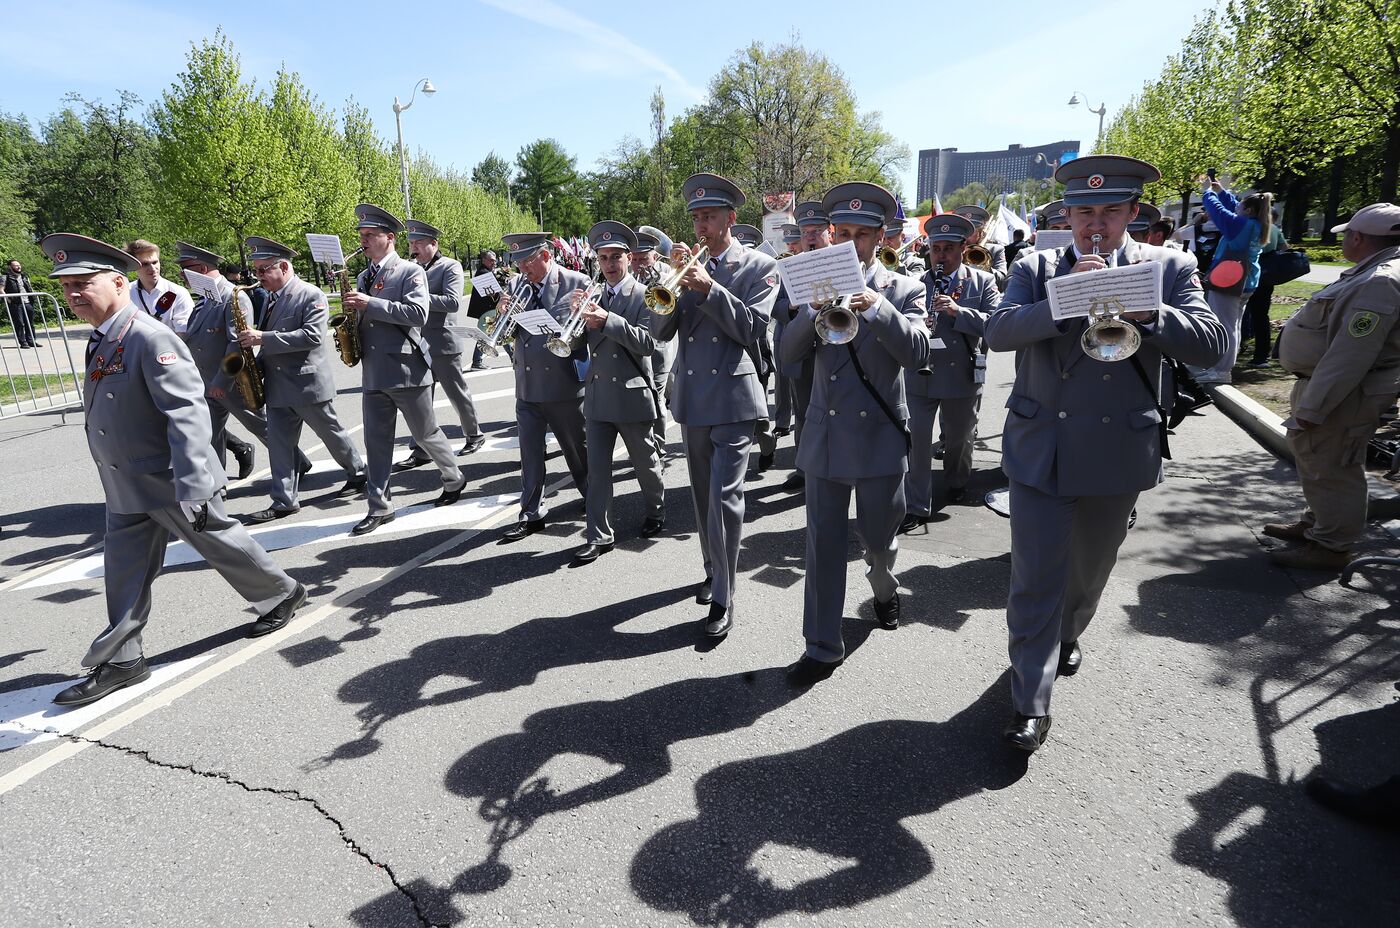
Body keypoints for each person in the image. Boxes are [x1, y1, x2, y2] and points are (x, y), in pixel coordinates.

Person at [985, 154, 1226, 753]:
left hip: (1119, 446)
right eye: (1084, 211)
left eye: (1110, 211)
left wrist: (1153, 313)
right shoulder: (1036, 266)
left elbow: (1212, 345)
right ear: (1066, 214)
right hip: (1043, 447)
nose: (1096, 223)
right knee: (1034, 577)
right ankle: (1029, 702)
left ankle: (1068, 631)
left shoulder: (1170, 266)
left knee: (1087, 574)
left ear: (1132, 214)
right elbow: (998, 331)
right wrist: (1063, 302)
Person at [42, 234, 306, 707]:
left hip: (165, 477)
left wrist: (194, 484)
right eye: (67, 286)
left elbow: (186, 413)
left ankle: (281, 592)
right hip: (126, 480)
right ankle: (124, 658)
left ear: (118, 282)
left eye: (83, 283)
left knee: (217, 537)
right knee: (123, 569)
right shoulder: (105, 336)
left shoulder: (149, 336)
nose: (73, 294)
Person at [780, 182, 930, 686]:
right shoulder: (811, 282)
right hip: (825, 435)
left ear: (879, 236)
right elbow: (786, 356)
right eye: (839, 232)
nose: (847, 241)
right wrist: (810, 311)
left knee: (879, 540)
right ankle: (822, 645)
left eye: (859, 234)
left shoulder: (905, 288)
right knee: (822, 545)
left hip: (879, 438)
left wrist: (878, 309)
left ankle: (884, 589)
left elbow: (919, 354)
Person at [651, 173, 778, 638]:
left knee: (725, 500)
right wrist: (670, 283)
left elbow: (754, 329)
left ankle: (724, 595)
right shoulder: (684, 271)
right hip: (692, 400)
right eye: (697, 217)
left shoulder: (760, 267)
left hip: (734, 398)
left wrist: (709, 289)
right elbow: (658, 333)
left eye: (710, 216)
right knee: (704, 500)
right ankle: (712, 569)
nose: (702, 225)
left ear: (731, 218)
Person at [1265, 203, 1400, 571]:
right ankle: (1318, 525)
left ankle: (1331, 546)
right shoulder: (1374, 273)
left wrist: (1312, 409)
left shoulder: (1381, 281)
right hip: (1338, 387)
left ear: (1358, 237)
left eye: (1346, 235)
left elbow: (1350, 354)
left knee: (1334, 464)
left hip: (1345, 392)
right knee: (1319, 458)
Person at [344, 203, 467, 536]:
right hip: (374, 372)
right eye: (361, 235)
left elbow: (417, 314)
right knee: (377, 443)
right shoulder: (362, 275)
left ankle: (454, 477)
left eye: (370, 235)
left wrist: (370, 303)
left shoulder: (410, 272)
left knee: (426, 435)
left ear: (390, 238)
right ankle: (380, 507)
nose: (364, 241)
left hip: (407, 370)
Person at [237, 236, 366, 523]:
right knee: (281, 446)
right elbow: (271, 344)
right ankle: (284, 501)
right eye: (255, 271)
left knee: (331, 434)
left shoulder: (310, 294)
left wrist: (262, 337)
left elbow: (312, 336)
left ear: (282, 266)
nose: (257, 277)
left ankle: (358, 472)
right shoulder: (270, 298)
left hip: (306, 384)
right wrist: (254, 367)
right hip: (278, 385)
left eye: (262, 270)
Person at [573, 221, 666, 564]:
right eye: (603, 257)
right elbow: (578, 347)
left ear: (630, 258)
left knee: (645, 463)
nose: (609, 264)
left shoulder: (646, 294)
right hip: (598, 396)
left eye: (616, 257)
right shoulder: (593, 295)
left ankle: (656, 511)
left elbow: (649, 344)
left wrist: (607, 319)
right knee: (597, 470)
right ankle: (599, 535)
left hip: (631, 394)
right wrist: (575, 321)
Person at [176, 241, 308, 484]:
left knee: (263, 427)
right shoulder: (205, 299)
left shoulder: (232, 296)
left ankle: (298, 462)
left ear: (201, 270)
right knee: (210, 434)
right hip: (207, 381)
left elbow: (236, 343)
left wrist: (221, 380)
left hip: (231, 380)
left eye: (184, 271)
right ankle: (217, 484)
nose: (182, 277)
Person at [902, 213, 998, 531]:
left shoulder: (982, 281)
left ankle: (957, 479)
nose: (940, 255)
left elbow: (997, 325)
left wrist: (959, 312)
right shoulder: (916, 284)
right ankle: (917, 504)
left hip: (961, 375)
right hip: (921, 374)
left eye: (946, 248)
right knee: (916, 441)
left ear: (961, 248)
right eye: (935, 248)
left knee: (959, 438)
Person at [498, 231, 591, 540]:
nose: (522, 269)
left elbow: (583, 336)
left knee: (576, 451)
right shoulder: (515, 285)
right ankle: (531, 512)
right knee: (530, 455)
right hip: (526, 384)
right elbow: (510, 336)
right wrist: (503, 316)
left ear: (546, 256)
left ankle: (593, 497)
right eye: (518, 262)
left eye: (527, 261)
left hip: (562, 383)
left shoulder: (575, 282)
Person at [393, 220, 487, 470]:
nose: (414, 248)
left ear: (434, 244)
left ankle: (474, 435)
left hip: (443, 343)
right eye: (411, 243)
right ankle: (421, 450)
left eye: (419, 243)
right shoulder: (410, 268)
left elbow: (453, 302)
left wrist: (418, 299)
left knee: (457, 394)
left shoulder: (450, 266)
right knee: (420, 401)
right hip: (417, 343)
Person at [773, 200, 832, 493]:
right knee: (804, 413)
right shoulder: (789, 267)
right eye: (805, 230)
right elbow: (777, 307)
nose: (810, 236)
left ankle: (835, 469)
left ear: (828, 231)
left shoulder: (841, 262)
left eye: (816, 230)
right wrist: (794, 307)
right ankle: (803, 467)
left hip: (837, 350)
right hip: (803, 353)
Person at [1189, 179, 1273, 385]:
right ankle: (1222, 367)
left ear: (1250, 210)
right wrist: (1222, 191)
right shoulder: (1254, 224)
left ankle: (1221, 371)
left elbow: (1218, 211)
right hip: (1246, 282)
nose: (1236, 205)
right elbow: (1231, 206)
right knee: (1233, 325)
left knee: (1225, 326)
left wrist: (1208, 192)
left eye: (1241, 204)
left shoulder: (1240, 225)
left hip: (1229, 282)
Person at [632, 227, 675, 459]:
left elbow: (668, 308)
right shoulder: (627, 275)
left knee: (658, 396)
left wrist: (656, 284)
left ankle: (658, 445)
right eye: (635, 258)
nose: (638, 263)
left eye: (643, 258)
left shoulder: (666, 274)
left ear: (655, 257)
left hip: (658, 345)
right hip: (635, 345)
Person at [1241, 210, 1287, 367]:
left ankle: (1239, 345)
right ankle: (1262, 355)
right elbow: (1285, 248)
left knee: (1242, 313)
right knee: (1261, 316)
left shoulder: (1252, 227)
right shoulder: (1274, 229)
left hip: (1251, 275)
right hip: (1268, 277)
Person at [772, 223, 804, 440]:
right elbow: (774, 305)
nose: (791, 248)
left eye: (794, 243)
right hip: (785, 333)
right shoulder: (781, 267)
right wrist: (791, 306)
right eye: (789, 243)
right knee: (782, 384)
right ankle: (782, 422)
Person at [124, 241, 194, 334]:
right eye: (145, 264)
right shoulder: (125, 292)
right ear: (134, 266)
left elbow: (183, 331)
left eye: (155, 262)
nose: (153, 268)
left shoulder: (178, 293)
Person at [954, 205, 1008, 288]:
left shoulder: (996, 250)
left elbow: (1002, 283)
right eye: (963, 230)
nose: (965, 235)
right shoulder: (951, 250)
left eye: (971, 231)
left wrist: (983, 266)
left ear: (980, 233)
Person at [466, 249, 502, 370]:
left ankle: (513, 356)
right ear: (484, 260)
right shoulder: (483, 273)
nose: (494, 263)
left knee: (497, 332)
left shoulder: (485, 272)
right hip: (486, 310)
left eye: (495, 260)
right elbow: (492, 294)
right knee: (487, 335)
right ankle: (476, 362)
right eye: (491, 260)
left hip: (488, 309)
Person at [3, 259, 38, 348]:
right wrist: (8, 299)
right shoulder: (5, 277)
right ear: (10, 267)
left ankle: (31, 341)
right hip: (16, 303)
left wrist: (32, 296)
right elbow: (1, 289)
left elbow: (29, 287)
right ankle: (23, 342)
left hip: (27, 302)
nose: (19, 267)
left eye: (19, 265)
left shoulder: (24, 276)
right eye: (16, 265)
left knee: (30, 323)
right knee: (19, 323)